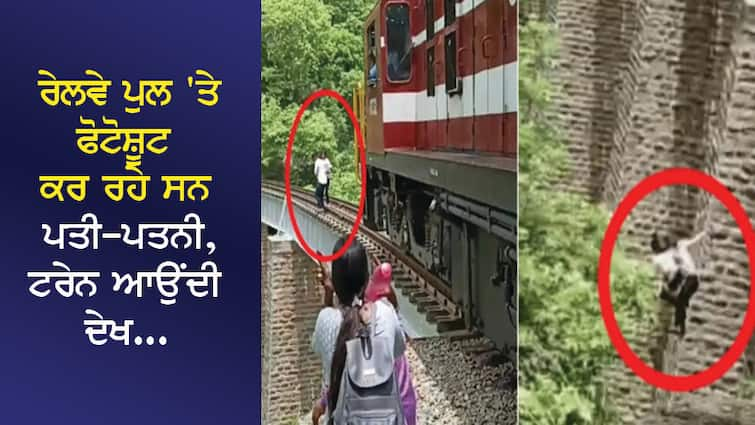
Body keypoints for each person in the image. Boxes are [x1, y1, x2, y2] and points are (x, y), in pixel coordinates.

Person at [310, 238, 410, 425]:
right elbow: (399, 348)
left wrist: (329, 294)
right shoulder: (385, 313)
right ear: (366, 277)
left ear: (336, 280)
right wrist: (392, 301)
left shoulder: (326, 320)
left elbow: (322, 352)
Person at [649, 230, 705, 337]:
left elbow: (694, 241)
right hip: (682, 276)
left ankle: (679, 326)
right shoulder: (671, 252)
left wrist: (704, 234)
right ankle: (679, 321)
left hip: (689, 276)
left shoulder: (679, 247)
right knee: (676, 298)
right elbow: (668, 270)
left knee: (679, 300)